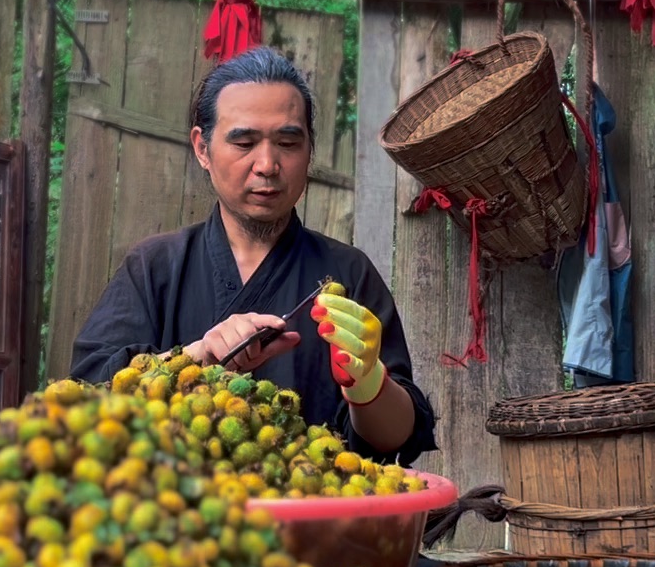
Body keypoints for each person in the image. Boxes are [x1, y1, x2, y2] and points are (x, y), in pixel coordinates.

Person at [70, 46, 438, 464]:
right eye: (244, 141)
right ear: (202, 148)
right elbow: (85, 400)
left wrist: (369, 385)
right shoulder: (155, 267)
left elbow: (398, 437)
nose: (267, 164)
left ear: (309, 150)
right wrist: (196, 357)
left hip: (310, 517)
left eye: (287, 142)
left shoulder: (348, 273)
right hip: (174, 516)